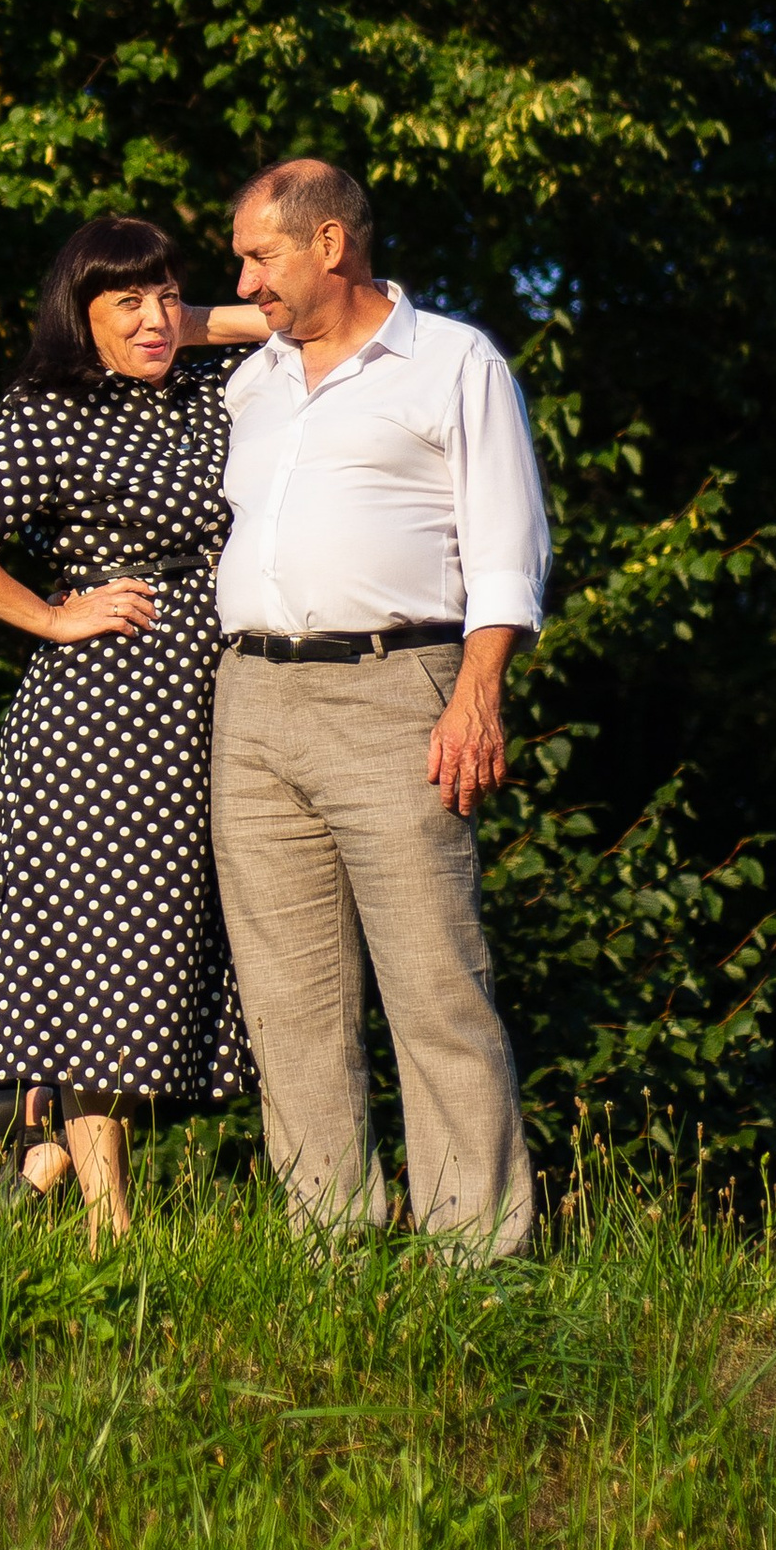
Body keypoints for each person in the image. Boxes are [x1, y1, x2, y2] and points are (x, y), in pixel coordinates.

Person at [184, 158, 549, 1259]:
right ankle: (328, 1250)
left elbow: (506, 549)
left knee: (433, 981)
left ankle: (475, 1256)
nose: (240, 278)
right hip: (250, 701)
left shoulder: (451, 363)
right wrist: (239, 312)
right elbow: (148, 327)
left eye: (259, 254)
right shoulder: (256, 374)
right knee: (288, 1004)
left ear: (331, 244)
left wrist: (476, 698)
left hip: (398, 689)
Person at [0, 215, 266, 1244]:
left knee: (171, 957)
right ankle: (112, 1232)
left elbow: (293, 311)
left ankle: (41, 1152)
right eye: (125, 305)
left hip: (210, 707)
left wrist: (177, 325)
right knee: (109, 959)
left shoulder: (199, 392)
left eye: (165, 297)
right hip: (99, 718)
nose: (152, 320)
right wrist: (54, 613)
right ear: (80, 316)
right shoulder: (50, 413)